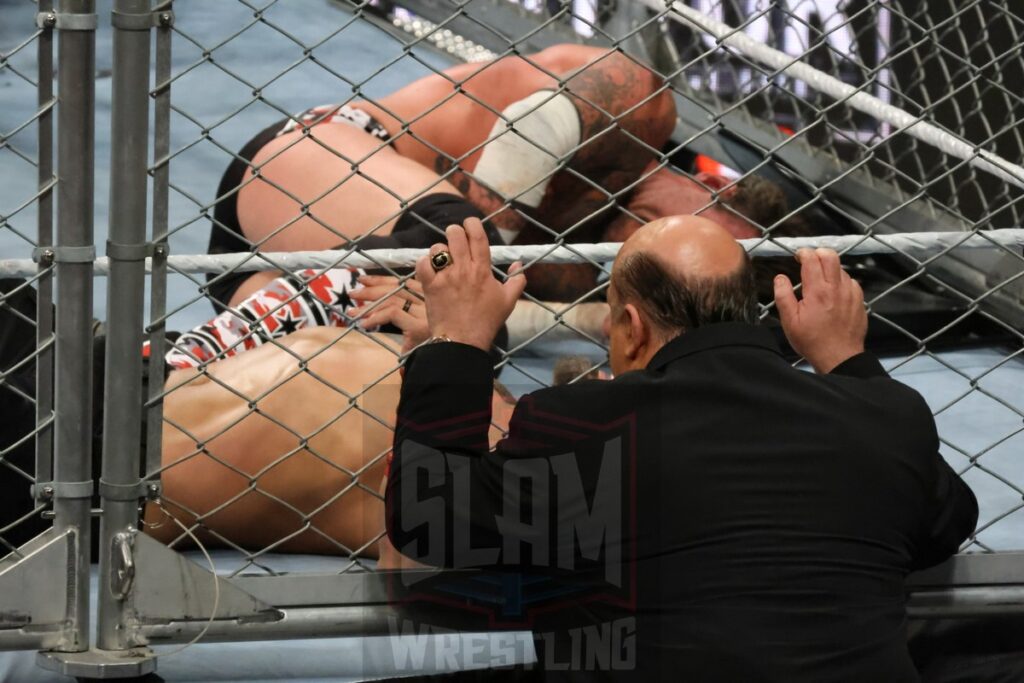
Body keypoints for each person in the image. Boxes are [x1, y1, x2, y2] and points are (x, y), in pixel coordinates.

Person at [385, 215, 978, 680]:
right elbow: (948, 521)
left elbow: (428, 519)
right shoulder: (881, 413)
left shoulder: (586, 422)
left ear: (633, 327)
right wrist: (848, 359)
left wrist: (458, 340)